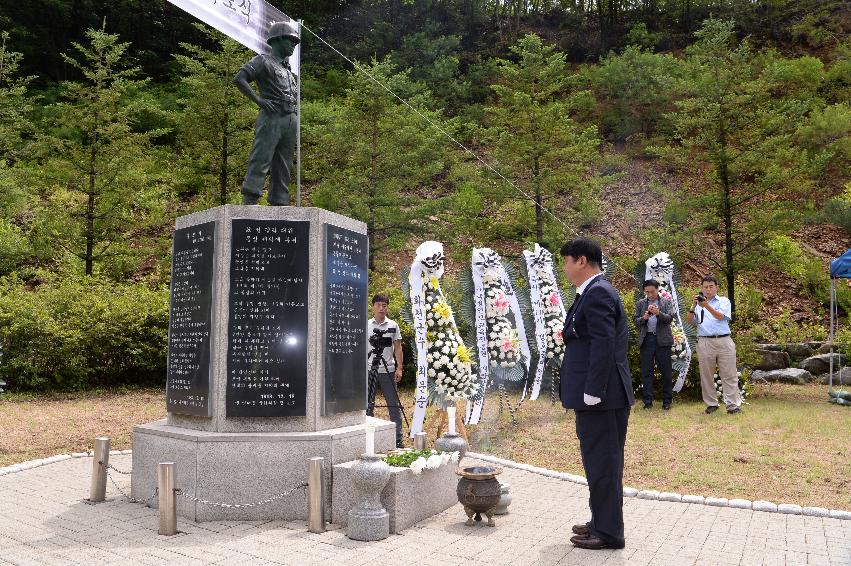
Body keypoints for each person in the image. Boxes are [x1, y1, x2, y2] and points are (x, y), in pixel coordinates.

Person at [559, 238, 634, 551]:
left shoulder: (598, 291)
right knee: (600, 463)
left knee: (603, 464)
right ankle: (601, 521)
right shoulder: (591, 291)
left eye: (566, 261)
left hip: (603, 399)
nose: (563, 268)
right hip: (602, 398)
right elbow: (590, 336)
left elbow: (604, 344)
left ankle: (610, 533)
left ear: (581, 261)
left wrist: (593, 391)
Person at [234, 20, 300, 206]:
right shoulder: (263, 60)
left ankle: (280, 201)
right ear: (277, 39)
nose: (293, 45)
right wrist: (259, 100)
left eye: (295, 42)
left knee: (284, 163)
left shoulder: (288, 71)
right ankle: (250, 199)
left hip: (290, 118)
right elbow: (240, 78)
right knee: (261, 157)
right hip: (272, 117)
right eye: (290, 41)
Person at [685, 275, 742, 415]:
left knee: (729, 373)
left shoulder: (724, 301)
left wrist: (706, 306)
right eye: (705, 287)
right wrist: (694, 306)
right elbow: (689, 321)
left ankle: (733, 405)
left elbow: (721, 316)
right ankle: (711, 404)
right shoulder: (698, 304)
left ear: (717, 287)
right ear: (701, 288)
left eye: (711, 286)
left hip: (724, 340)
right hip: (705, 341)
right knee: (706, 374)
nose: (708, 290)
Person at [367, 294, 405, 447]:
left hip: (388, 369)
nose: (382, 308)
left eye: (384, 305)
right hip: (369, 369)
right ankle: (368, 438)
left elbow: (397, 347)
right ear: (373, 306)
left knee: (393, 405)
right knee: (368, 405)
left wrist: (399, 368)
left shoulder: (393, 325)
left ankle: (398, 439)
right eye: (378, 305)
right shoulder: (366, 324)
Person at [634, 279, 675, 410]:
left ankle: (667, 401)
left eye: (652, 291)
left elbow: (669, 319)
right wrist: (644, 318)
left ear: (657, 289)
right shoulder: (641, 303)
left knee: (666, 372)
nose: (650, 294)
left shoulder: (666, 302)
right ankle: (647, 402)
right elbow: (636, 321)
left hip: (663, 340)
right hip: (647, 340)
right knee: (647, 372)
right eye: (647, 292)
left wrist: (658, 314)